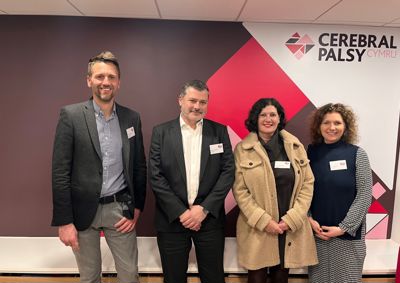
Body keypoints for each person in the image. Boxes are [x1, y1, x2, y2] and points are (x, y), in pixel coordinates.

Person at [51, 51, 147, 283]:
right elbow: (60, 172)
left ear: (118, 82)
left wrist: (137, 207)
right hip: (82, 212)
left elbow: (139, 165)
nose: (106, 82)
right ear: (89, 80)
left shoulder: (131, 118)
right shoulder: (71, 116)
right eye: (100, 76)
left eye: (111, 77)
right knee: (90, 277)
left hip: (119, 209)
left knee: (129, 276)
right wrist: (64, 221)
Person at [148, 79, 235, 283]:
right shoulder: (161, 132)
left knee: (214, 278)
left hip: (209, 220)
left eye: (202, 102)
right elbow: (155, 176)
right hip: (172, 221)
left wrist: (202, 209)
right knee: (173, 278)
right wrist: (182, 212)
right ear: (180, 100)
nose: (197, 106)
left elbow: (228, 172)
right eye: (192, 100)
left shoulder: (219, 132)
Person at [233, 98, 317, 283]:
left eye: (273, 114)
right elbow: (240, 191)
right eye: (263, 115)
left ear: (279, 118)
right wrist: (264, 221)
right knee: (256, 278)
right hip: (257, 228)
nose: (268, 119)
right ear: (255, 119)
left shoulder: (295, 147)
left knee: (281, 278)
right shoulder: (242, 149)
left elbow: (307, 183)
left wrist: (292, 218)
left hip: (287, 228)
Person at [307, 103, 372, 283]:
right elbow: (302, 191)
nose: (332, 127)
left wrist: (343, 228)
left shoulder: (358, 154)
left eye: (337, 123)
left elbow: (365, 195)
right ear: (319, 126)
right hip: (318, 237)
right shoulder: (309, 153)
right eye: (326, 123)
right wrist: (309, 219)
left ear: (346, 126)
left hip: (348, 239)